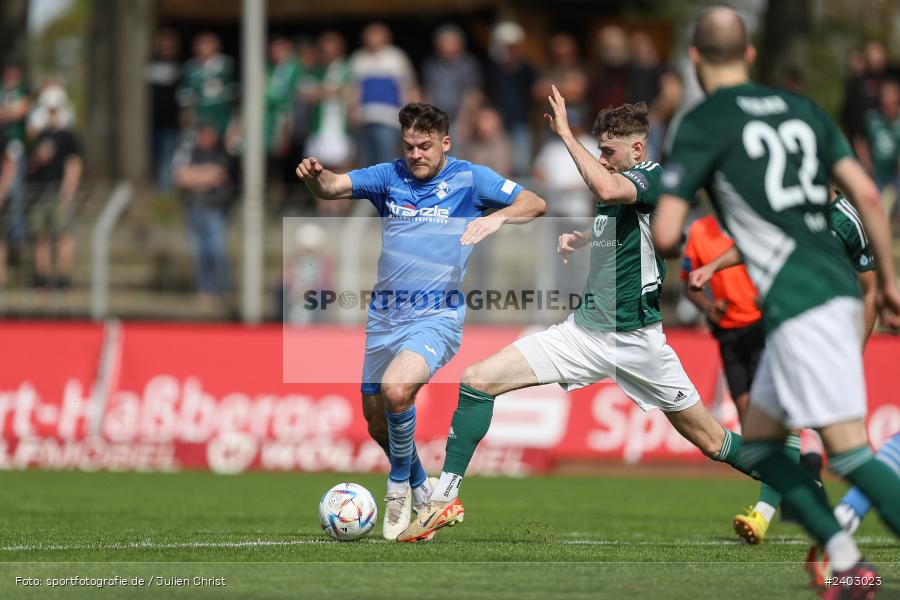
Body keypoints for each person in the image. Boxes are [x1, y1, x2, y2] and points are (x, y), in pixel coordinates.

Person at [398, 92, 761, 544]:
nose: (603, 160)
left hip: (637, 343)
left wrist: (567, 135)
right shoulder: (621, 186)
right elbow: (621, 222)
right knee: (477, 380)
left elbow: (610, 191)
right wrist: (584, 237)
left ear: (638, 150)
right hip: (582, 334)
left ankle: (794, 477)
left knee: (712, 443)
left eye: (609, 152)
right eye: (600, 150)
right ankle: (444, 498)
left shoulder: (652, 177)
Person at [652, 8, 900, 596]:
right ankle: (845, 560)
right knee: (763, 444)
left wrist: (688, 197)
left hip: (801, 303)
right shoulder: (806, 111)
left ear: (693, 57)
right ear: (751, 55)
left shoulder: (705, 119)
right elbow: (866, 191)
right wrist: (888, 282)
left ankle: (846, 558)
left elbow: (666, 233)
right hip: (823, 297)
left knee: (848, 453)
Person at [295, 102, 546, 540]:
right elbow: (334, 187)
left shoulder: (470, 178)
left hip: (437, 316)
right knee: (377, 423)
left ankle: (397, 488)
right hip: (384, 320)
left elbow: (535, 202)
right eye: (409, 146)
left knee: (397, 389)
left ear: (445, 143)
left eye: (425, 146)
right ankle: (421, 488)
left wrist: (496, 218)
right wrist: (317, 178)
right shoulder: (388, 176)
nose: (415, 154)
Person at [684, 192, 879, 545]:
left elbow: (871, 289)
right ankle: (798, 502)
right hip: (786, 328)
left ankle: (782, 512)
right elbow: (755, 244)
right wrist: (714, 267)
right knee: (773, 433)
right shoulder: (788, 203)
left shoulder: (846, 218)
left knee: (845, 449)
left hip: (826, 331)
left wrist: (855, 349)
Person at [26, 85, 82, 290]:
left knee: (63, 235)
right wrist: (37, 157)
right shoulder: (38, 136)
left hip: (58, 192)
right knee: (40, 236)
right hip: (38, 192)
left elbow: (74, 164)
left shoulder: (68, 136)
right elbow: (29, 165)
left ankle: (64, 280)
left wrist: (68, 191)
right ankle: (42, 279)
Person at [174, 122, 234, 306]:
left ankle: (223, 289)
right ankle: (205, 290)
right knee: (200, 253)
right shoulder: (190, 152)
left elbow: (219, 175)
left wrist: (196, 176)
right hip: (194, 208)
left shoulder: (221, 154)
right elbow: (181, 177)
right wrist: (206, 175)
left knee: (216, 250)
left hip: (213, 208)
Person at [350, 23, 419, 167]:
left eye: (376, 35)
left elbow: (407, 87)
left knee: (386, 161)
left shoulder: (396, 57)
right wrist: (352, 111)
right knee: (366, 163)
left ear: (385, 37)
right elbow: (355, 89)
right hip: (364, 118)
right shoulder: (358, 58)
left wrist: (410, 116)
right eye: (370, 35)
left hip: (389, 118)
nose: (372, 39)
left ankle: (387, 189)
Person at [177, 32, 237, 136]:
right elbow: (185, 94)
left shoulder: (226, 65)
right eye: (203, 44)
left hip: (221, 115)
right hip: (199, 117)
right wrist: (186, 114)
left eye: (209, 44)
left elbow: (233, 90)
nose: (206, 48)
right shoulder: (191, 67)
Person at [145, 29, 182, 192]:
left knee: (169, 156)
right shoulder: (150, 64)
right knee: (154, 156)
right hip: (152, 120)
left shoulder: (179, 66)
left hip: (172, 121)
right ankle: (156, 185)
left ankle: (164, 191)